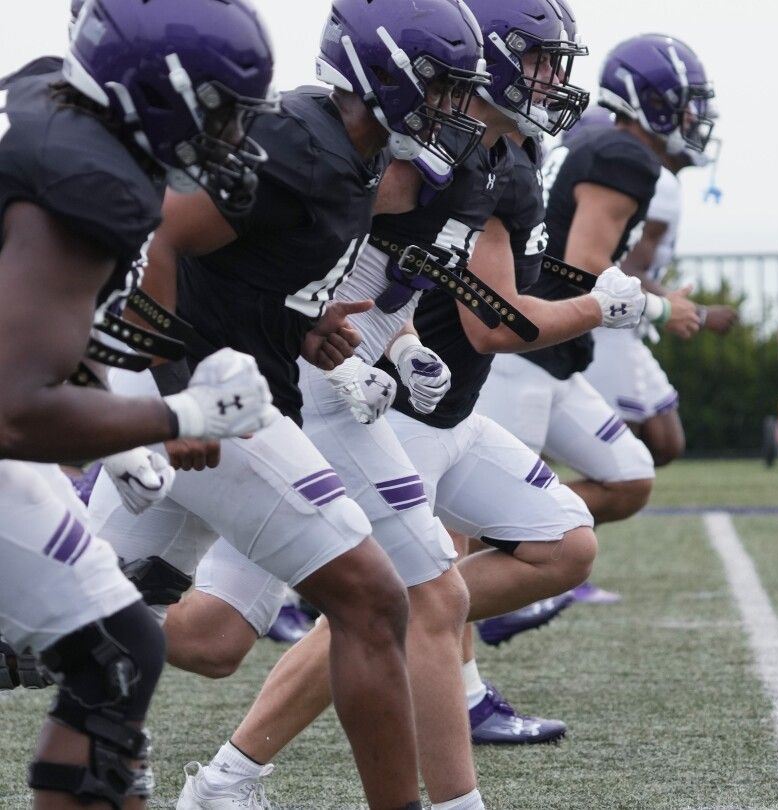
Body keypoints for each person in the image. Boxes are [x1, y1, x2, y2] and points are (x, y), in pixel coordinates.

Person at [85, 1, 490, 807]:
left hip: (205, 379)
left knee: (92, 615)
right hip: (196, 386)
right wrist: (179, 394)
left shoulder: (361, 151)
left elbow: (252, 271)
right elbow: (160, 238)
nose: (454, 107)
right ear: (386, 72)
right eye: (442, 86)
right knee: (373, 597)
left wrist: (307, 330)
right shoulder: (301, 145)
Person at [0, 0, 280, 805]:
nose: (232, 139)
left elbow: (38, 336)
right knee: (115, 649)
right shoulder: (86, 178)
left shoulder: (47, 96)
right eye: (222, 114)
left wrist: (119, 440)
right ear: (160, 89)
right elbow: (17, 409)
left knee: (118, 647)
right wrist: (185, 416)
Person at [476, 33, 706, 596]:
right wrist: (657, 306)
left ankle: (505, 554)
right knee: (463, 522)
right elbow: (584, 266)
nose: (695, 116)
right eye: (686, 102)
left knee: (629, 476)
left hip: (555, 354)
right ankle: (463, 613)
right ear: (650, 100)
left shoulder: (602, 143)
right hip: (526, 348)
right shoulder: (625, 156)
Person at [584, 106, 739, 470]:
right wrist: (694, 312)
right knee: (623, 460)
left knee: (664, 442)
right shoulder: (657, 182)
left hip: (625, 321)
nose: (695, 127)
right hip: (609, 324)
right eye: (685, 116)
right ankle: (551, 524)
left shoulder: (658, 179)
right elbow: (628, 268)